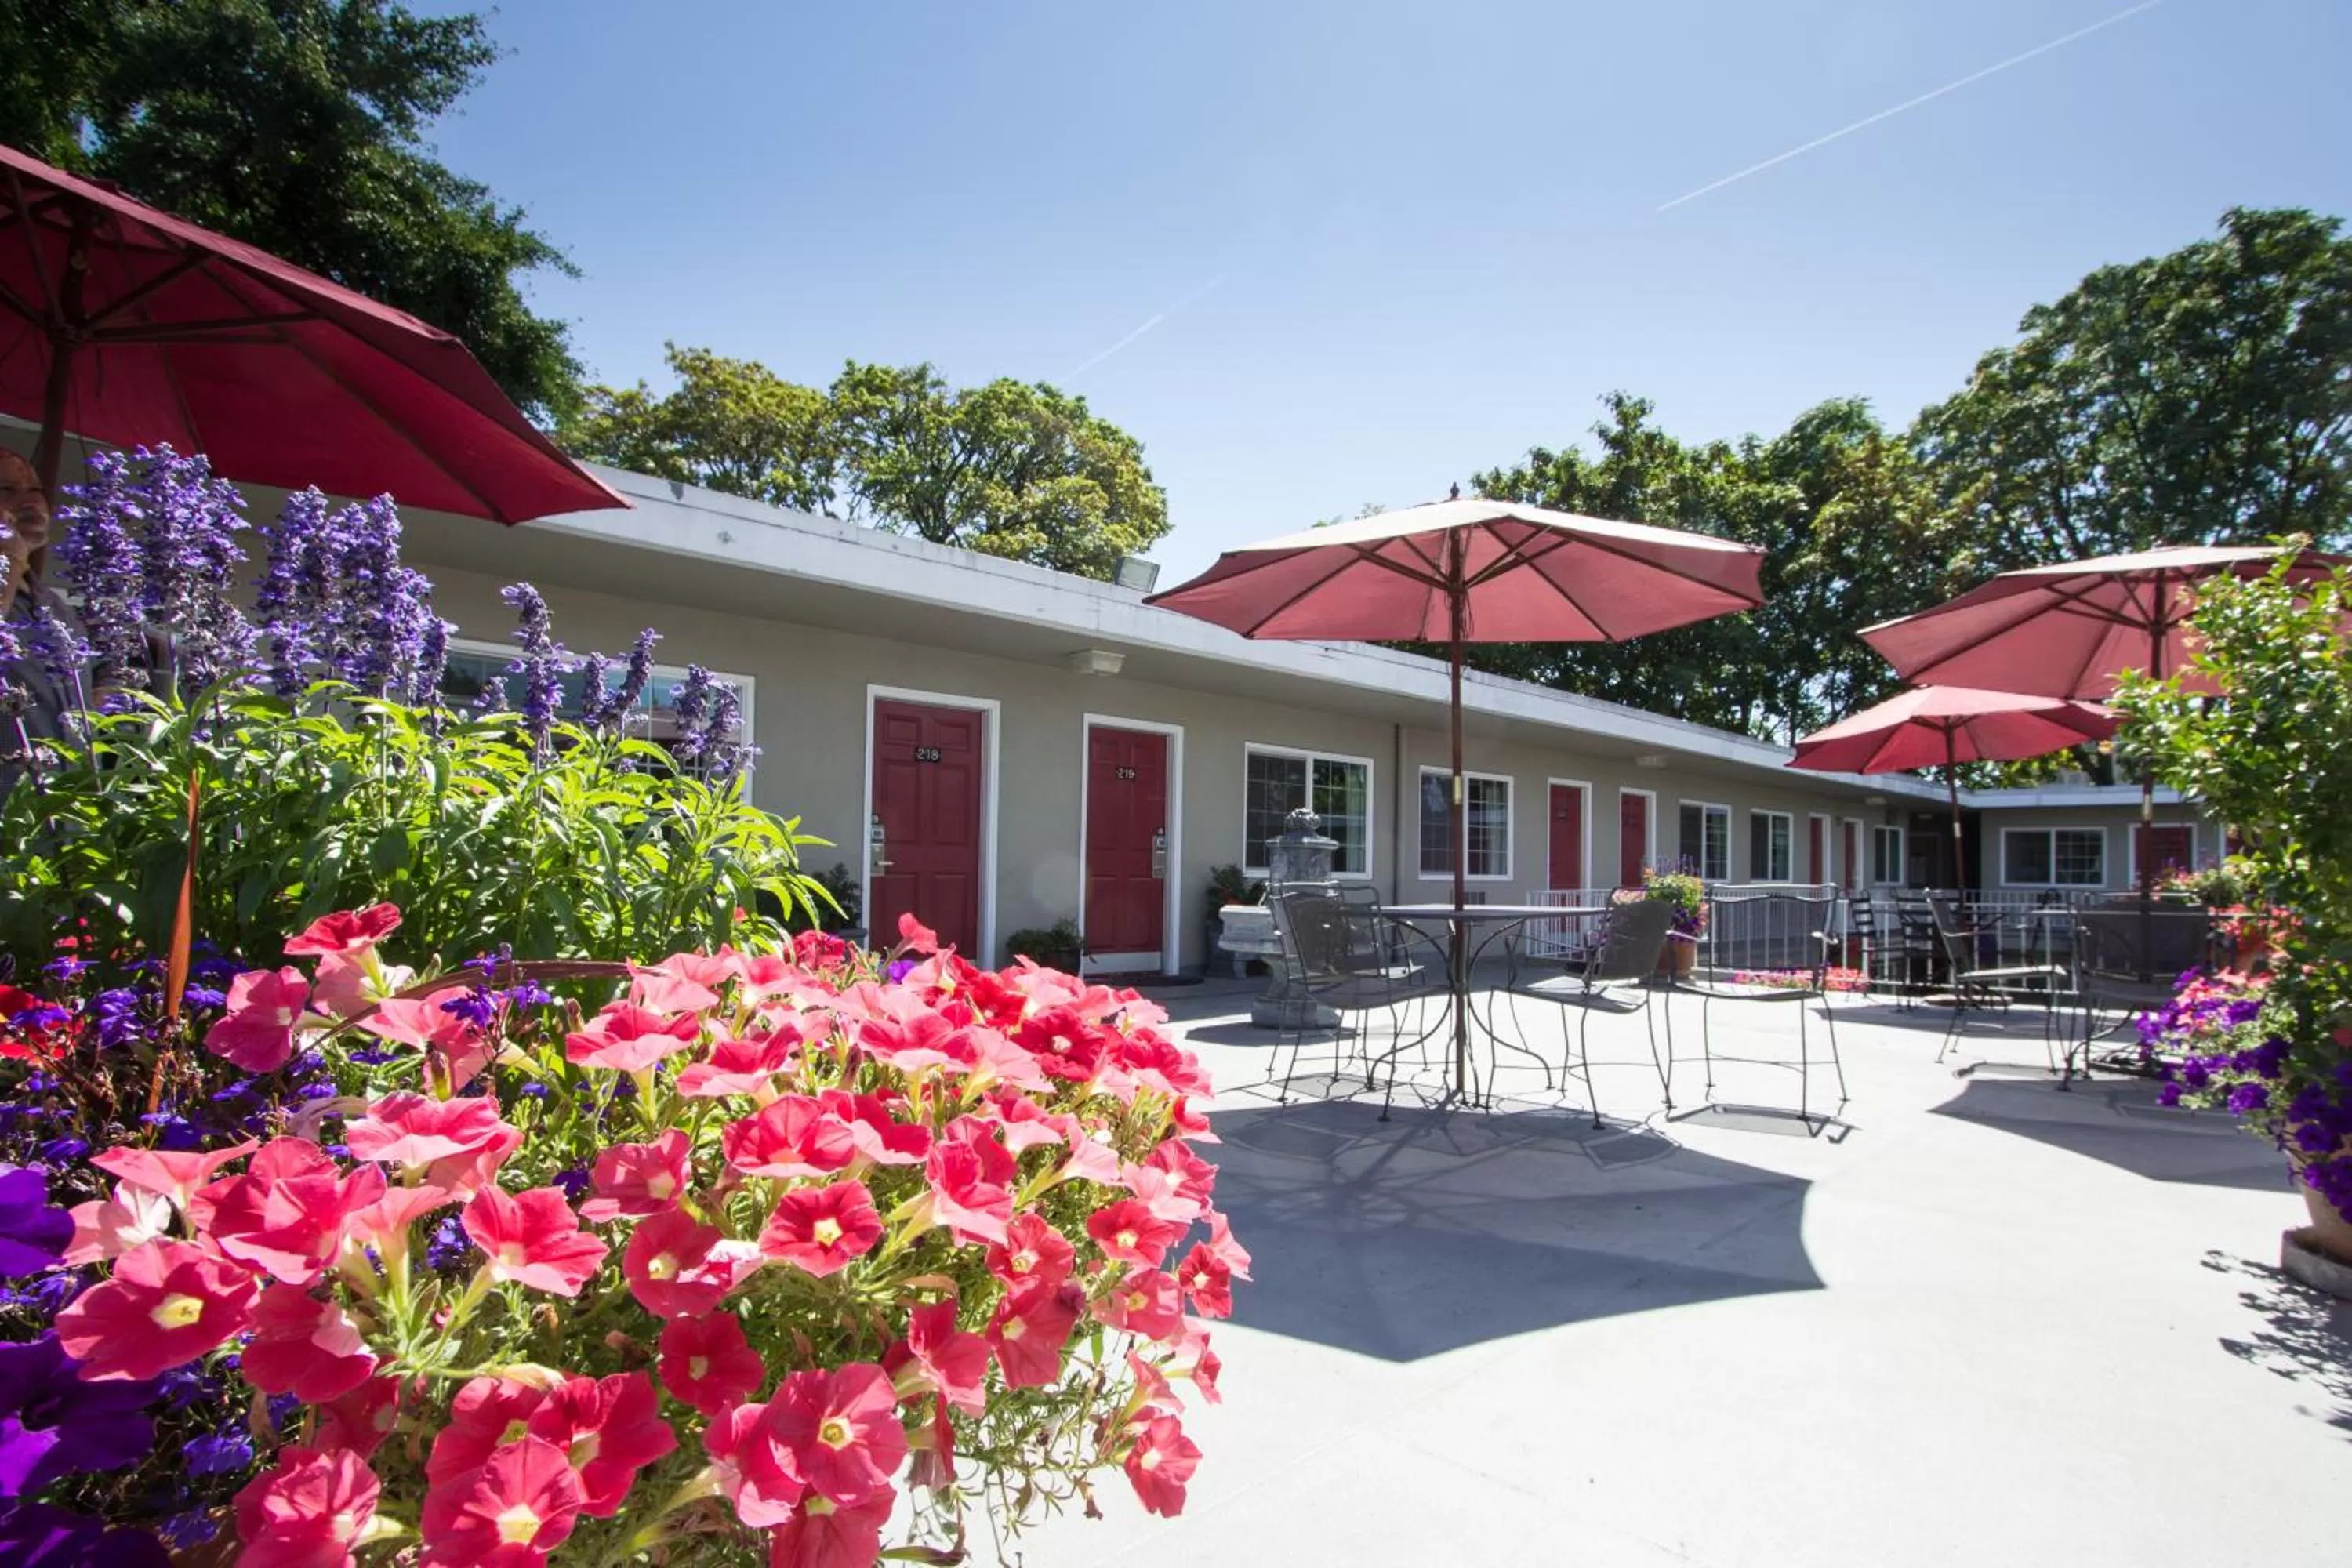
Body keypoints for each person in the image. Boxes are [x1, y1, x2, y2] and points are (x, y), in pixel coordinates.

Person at [2, 448, 79, 789]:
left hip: (65, 811)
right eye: (7, 490)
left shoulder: (53, 605)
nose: (30, 501)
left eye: (34, 490)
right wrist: (10, 561)